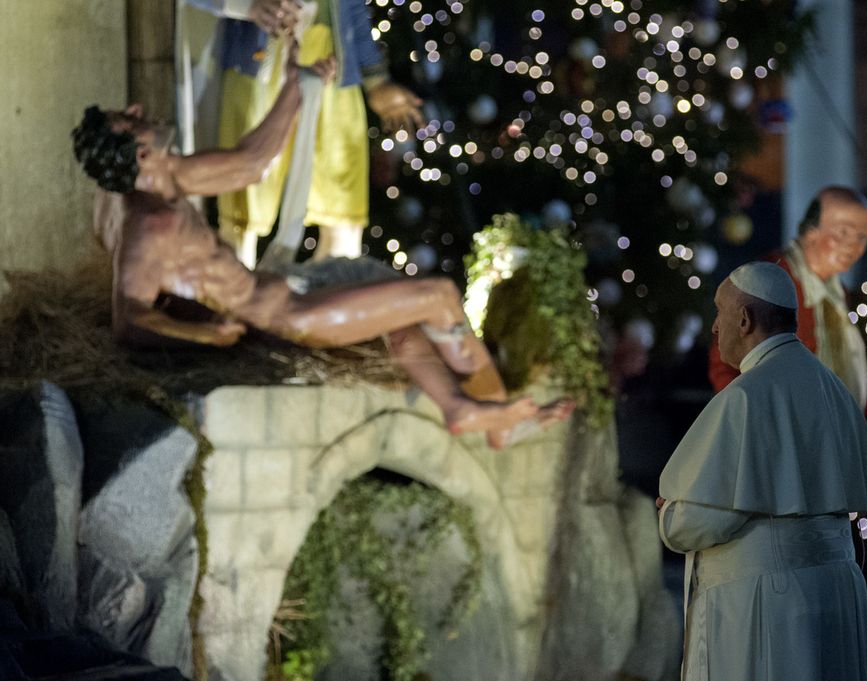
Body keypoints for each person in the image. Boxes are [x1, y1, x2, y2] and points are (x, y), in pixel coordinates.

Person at [72, 48, 572, 449]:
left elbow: (249, 163)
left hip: (280, 295)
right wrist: (204, 337)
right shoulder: (152, 224)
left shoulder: (149, 181)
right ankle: (497, 416)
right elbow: (128, 318)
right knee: (438, 296)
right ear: (139, 153)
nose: (138, 110)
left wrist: (297, 85)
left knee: (396, 310)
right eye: (128, 119)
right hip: (289, 319)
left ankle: (461, 408)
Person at [658, 262, 867, 681]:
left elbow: (701, 522)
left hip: (767, 602)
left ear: (743, 319)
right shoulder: (832, 386)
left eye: (719, 312)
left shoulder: (747, 396)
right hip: (836, 588)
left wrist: (672, 511)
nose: (715, 327)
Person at [180, 0, 425, 267]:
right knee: (243, 209)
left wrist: (376, 79)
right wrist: (245, 5)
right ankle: (232, 302)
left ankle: (325, 303)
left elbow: (352, 7)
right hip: (261, 63)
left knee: (342, 218)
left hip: (333, 70)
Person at [709, 186, 867, 443]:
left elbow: (844, 389)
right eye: (843, 232)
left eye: (862, 236)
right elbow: (726, 365)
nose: (852, 245)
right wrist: (767, 433)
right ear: (811, 231)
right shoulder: (769, 282)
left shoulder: (839, 297)